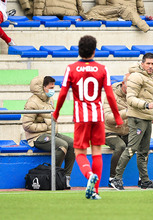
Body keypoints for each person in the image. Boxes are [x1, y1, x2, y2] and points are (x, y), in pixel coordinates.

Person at [53, 35, 123, 200]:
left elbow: (63, 93)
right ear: (94, 50)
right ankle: (95, 191)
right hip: (98, 116)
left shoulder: (71, 68)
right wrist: (117, 116)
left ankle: (89, 175)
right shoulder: (102, 69)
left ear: (79, 49)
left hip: (81, 116)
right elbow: (111, 96)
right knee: (97, 151)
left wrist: (56, 112)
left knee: (79, 152)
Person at [110, 53, 153, 190]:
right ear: (142, 63)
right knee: (132, 149)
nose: (151, 66)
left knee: (144, 151)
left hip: (146, 118)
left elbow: (151, 101)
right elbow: (130, 99)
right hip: (137, 118)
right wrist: (146, 105)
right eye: (148, 63)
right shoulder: (135, 77)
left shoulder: (152, 79)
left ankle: (144, 181)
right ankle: (116, 179)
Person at [22, 76, 75, 189]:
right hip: (36, 137)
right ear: (43, 87)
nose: (53, 90)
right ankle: (53, 177)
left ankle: (65, 177)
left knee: (73, 144)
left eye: (54, 87)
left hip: (51, 133)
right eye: (50, 87)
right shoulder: (32, 103)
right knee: (62, 145)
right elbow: (27, 125)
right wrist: (46, 126)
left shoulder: (49, 100)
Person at [104, 73, 130, 187]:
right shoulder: (111, 95)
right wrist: (125, 113)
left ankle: (143, 179)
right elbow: (108, 118)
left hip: (126, 132)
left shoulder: (134, 95)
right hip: (109, 131)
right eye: (130, 86)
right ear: (123, 84)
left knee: (143, 144)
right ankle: (113, 178)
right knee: (121, 146)